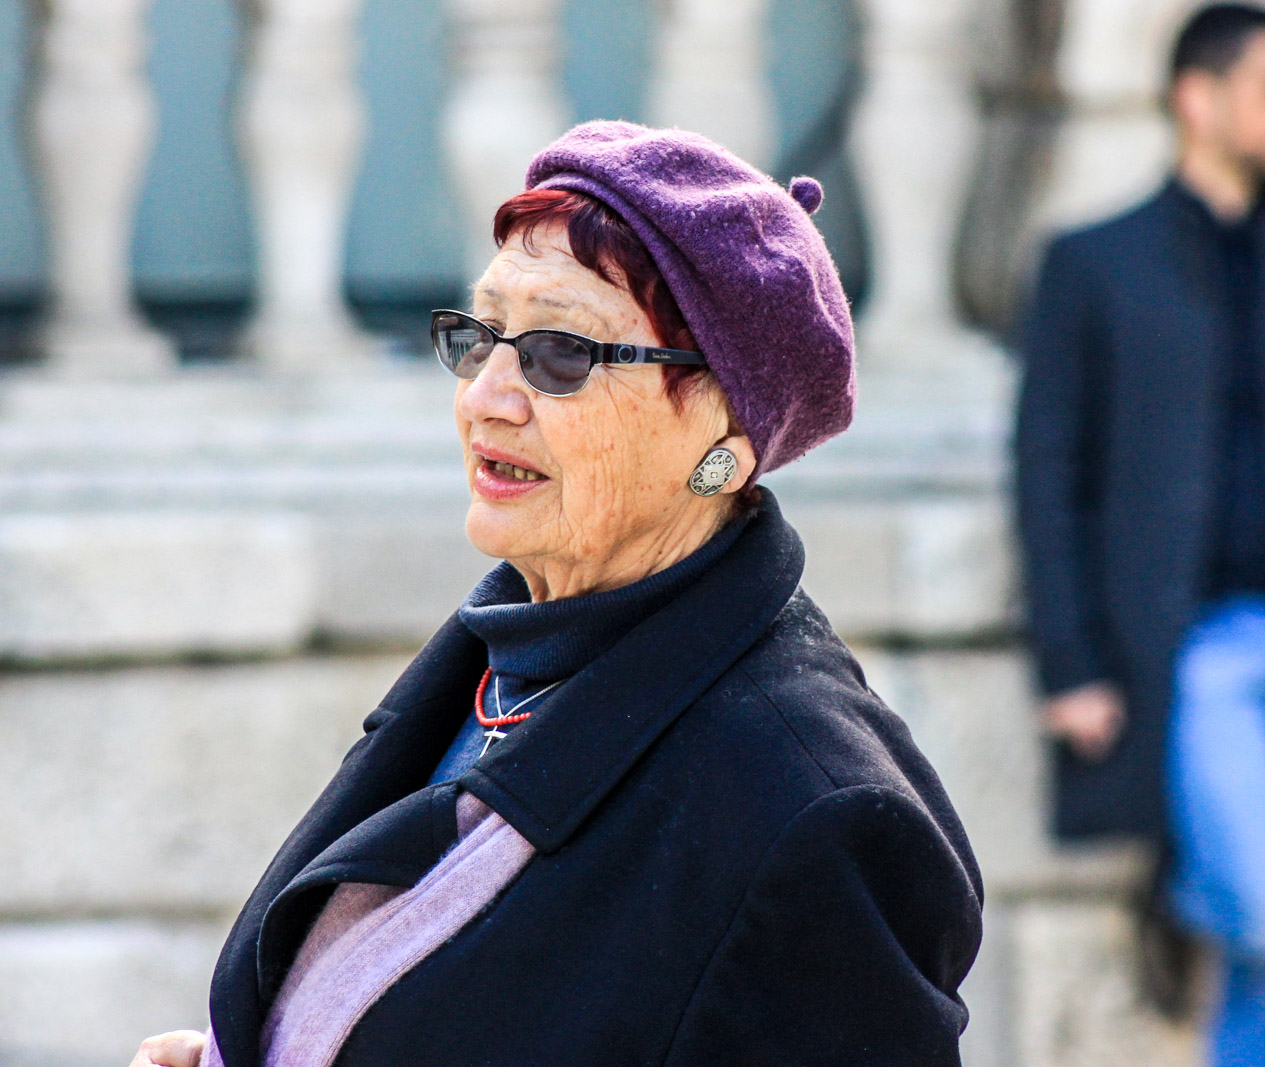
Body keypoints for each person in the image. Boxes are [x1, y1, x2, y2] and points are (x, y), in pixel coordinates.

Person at [130, 121, 982, 1067]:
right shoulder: (507, 658)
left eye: (562, 353)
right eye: (481, 335)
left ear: (725, 440)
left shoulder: (814, 815)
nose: (485, 397)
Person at [1014, 5, 1265, 1065]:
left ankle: (1199, 885)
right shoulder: (1090, 262)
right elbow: (1048, 475)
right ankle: (1194, 882)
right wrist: (1069, 663)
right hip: (1189, 656)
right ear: (1199, 98)